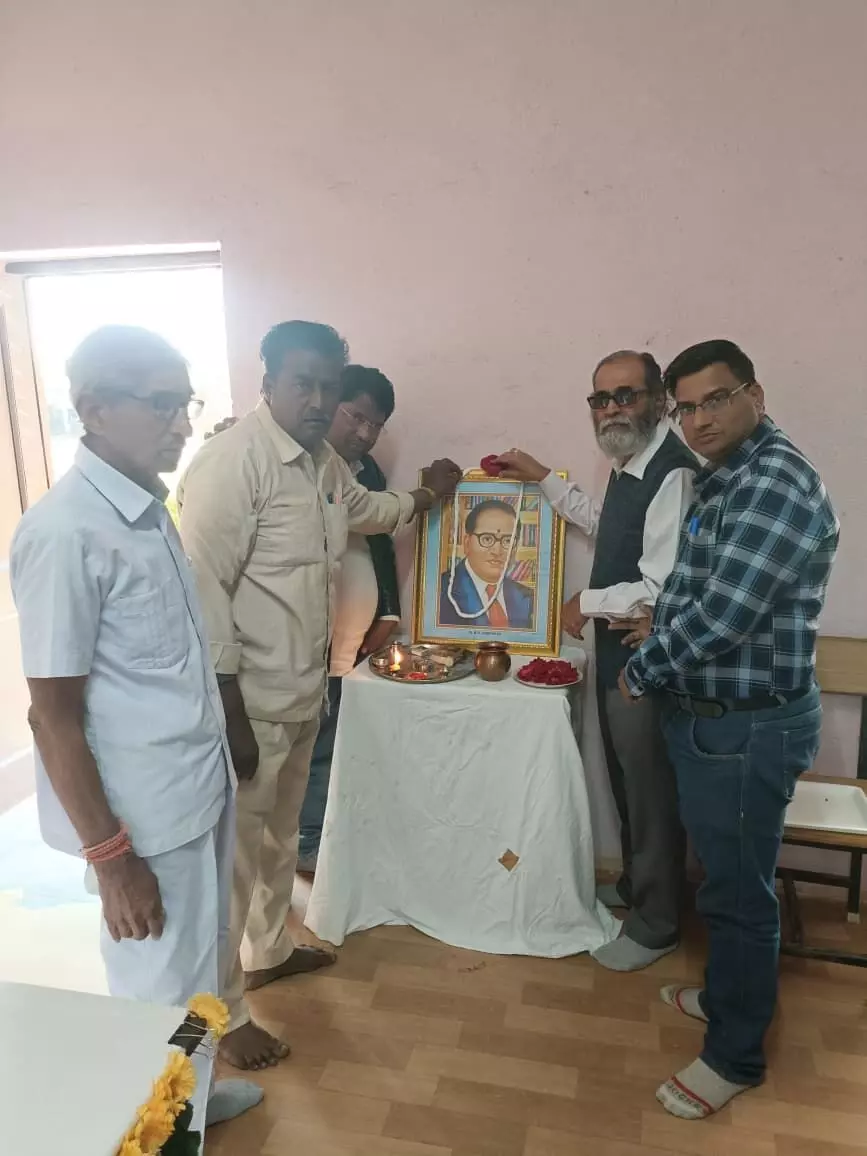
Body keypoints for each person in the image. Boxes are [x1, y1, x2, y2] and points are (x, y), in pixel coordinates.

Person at [177, 320, 461, 1072]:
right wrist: (229, 713)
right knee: (233, 864)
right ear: (268, 380)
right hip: (247, 707)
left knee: (278, 841)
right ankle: (220, 1017)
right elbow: (202, 594)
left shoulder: (323, 463)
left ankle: (269, 950)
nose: (317, 400)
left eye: (327, 387)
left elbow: (369, 512)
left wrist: (426, 495)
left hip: (304, 694)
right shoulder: (232, 462)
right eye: (302, 383)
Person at [10, 326, 261, 1128]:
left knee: (198, 972)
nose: (182, 423)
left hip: (195, 791)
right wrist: (113, 861)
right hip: (143, 822)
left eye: (185, 403)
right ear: (94, 409)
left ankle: (192, 1101)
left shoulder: (147, 510)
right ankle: (152, 1135)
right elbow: (51, 717)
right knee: (154, 995)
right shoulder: (65, 531)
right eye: (161, 405)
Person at [620, 340, 839, 1120]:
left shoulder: (773, 481)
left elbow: (724, 615)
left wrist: (643, 667)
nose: (698, 420)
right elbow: (695, 589)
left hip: (746, 728)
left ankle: (734, 1056)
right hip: (717, 721)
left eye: (714, 400)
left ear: (754, 393)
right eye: (684, 408)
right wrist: (658, 623)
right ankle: (725, 997)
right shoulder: (727, 475)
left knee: (739, 898)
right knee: (722, 881)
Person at [498, 350, 697, 972]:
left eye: (626, 395)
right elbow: (604, 523)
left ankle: (657, 925)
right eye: (601, 399)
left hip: (648, 660)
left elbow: (660, 587)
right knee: (624, 779)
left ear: (659, 399)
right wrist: (541, 476)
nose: (612, 409)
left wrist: (583, 602)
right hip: (615, 653)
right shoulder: (629, 462)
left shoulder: (672, 472)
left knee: (650, 792)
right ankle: (638, 889)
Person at [297, 365, 402, 873]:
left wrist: (389, 611)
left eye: (375, 424)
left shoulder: (367, 470)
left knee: (337, 738)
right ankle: (305, 842)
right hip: (305, 637)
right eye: (355, 416)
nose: (364, 432)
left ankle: (324, 837)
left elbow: (380, 540)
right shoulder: (300, 466)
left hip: (351, 637)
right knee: (309, 743)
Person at [438, 499, 534, 628]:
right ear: (467, 543)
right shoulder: (439, 591)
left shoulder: (528, 598)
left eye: (507, 541)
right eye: (487, 539)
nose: (497, 551)